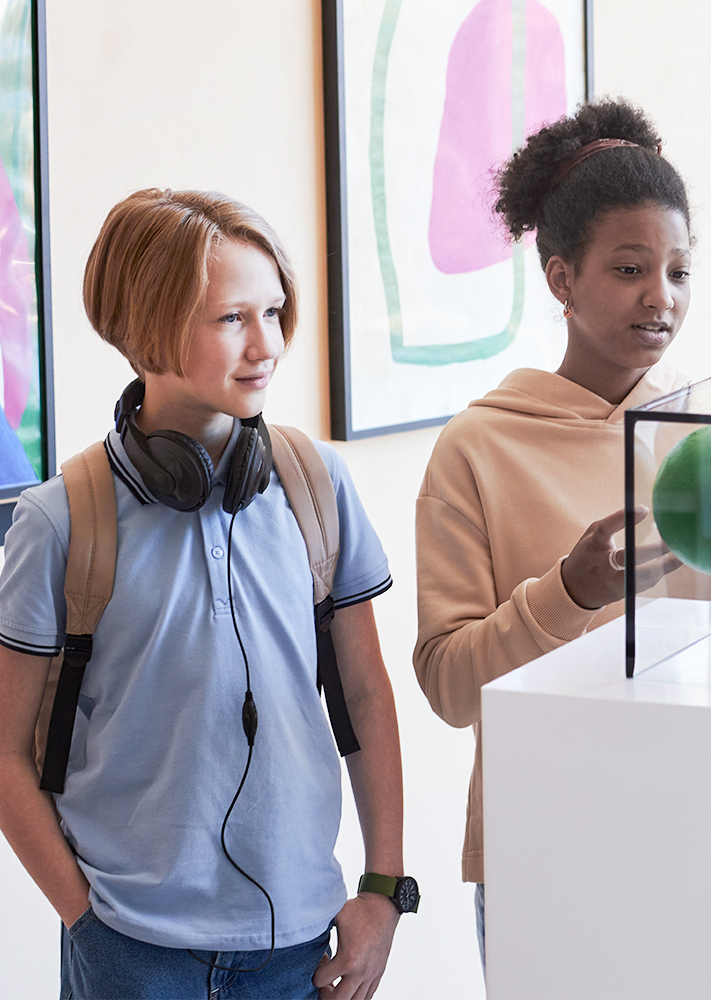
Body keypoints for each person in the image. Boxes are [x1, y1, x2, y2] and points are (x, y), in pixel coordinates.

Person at [0, 190, 410, 999]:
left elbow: (363, 694)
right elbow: (4, 747)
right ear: (147, 327)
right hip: (131, 948)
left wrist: (383, 891)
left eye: (274, 311)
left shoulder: (315, 486)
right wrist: (85, 918)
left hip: (302, 942)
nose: (267, 344)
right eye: (231, 319)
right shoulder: (58, 522)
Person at [413, 98, 690, 967]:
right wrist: (567, 594)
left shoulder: (708, 433)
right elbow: (450, 689)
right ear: (562, 279)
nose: (661, 298)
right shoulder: (478, 447)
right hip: (547, 845)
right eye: (630, 269)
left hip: (701, 822)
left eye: (680, 271)